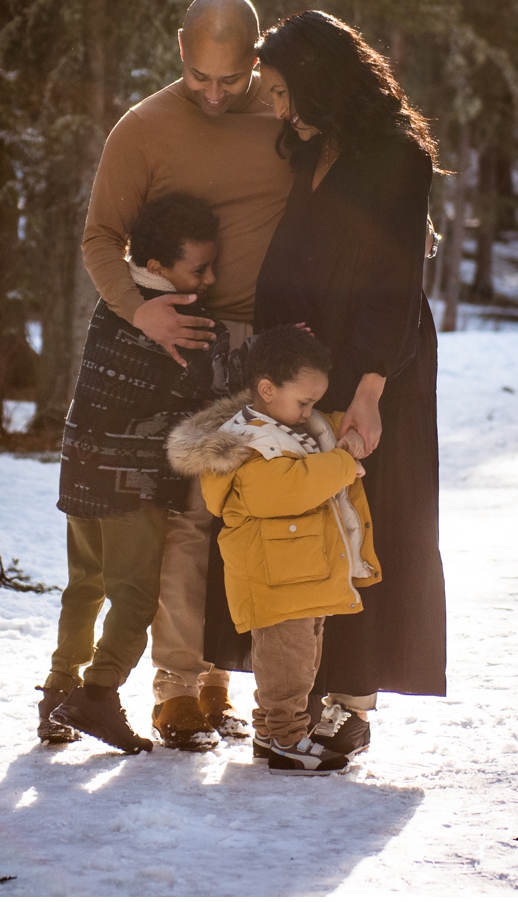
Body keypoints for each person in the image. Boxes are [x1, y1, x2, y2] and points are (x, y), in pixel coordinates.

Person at [79, 0, 294, 750]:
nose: (212, 93)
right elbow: (101, 237)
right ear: (180, 48)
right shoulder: (142, 128)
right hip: (183, 342)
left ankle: (217, 680)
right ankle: (175, 688)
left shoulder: (283, 113)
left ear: (255, 57)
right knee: (188, 519)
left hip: (266, 349)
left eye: (228, 80)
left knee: (248, 517)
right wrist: (142, 310)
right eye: (199, 76)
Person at [252, 10, 447, 758]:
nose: (277, 109)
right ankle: (308, 689)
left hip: (379, 357)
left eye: (281, 91)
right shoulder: (314, 149)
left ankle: (354, 701)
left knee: (370, 522)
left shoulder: (396, 155)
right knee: (316, 522)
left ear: (319, 80)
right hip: (307, 364)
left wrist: (369, 387)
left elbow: (395, 280)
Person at [41, 193, 239, 753]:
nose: (211, 277)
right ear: (158, 268)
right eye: (199, 268)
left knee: (86, 585)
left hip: (80, 467)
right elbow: (218, 388)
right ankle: (97, 696)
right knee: (136, 595)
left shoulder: (117, 304)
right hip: (129, 481)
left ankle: (57, 692)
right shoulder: (187, 323)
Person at [166, 326, 382, 775]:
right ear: (266, 389)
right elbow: (284, 491)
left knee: (299, 663)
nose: (308, 414)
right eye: (303, 402)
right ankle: (285, 738)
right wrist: (342, 463)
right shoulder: (247, 441)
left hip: (297, 576)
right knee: (286, 667)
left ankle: (270, 733)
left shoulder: (284, 427)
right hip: (274, 579)